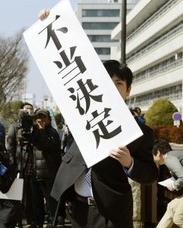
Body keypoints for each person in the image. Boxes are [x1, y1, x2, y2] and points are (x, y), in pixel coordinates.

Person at [35, 54, 157, 228]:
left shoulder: (140, 132)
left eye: (119, 84)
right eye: (107, 83)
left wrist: (129, 163)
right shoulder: (83, 116)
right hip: (77, 208)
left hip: (111, 213)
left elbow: (150, 174)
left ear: (128, 90)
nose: (112, 88)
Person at [30, 108, 63, 228]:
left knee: (51, 201)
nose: (41, 120)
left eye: (44, 117)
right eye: (39, 117)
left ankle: (51, 221)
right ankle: (37, 222)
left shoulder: (52, 132)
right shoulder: (34, 131)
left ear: (49, 119)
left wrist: (43, 130)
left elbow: (46, 145)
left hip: (48, 172)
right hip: (35, 172)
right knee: (36, 201)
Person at [6, 102, 35, 225]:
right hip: (19, 163)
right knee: (19, 192)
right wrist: (12, 162)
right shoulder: (14, 127)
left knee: (31, 192)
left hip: (32, 163)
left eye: (30, 110)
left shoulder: (35, 126)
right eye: (26, 110)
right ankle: (18, 217)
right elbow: (9, 146)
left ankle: (30, 217)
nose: (28, 113)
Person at [152, 139, 183, 228]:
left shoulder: (169, 159)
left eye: (152, 155)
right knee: (171, 206)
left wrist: (174, 185)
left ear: (158, 153)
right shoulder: (174, 156)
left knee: (178, 218)